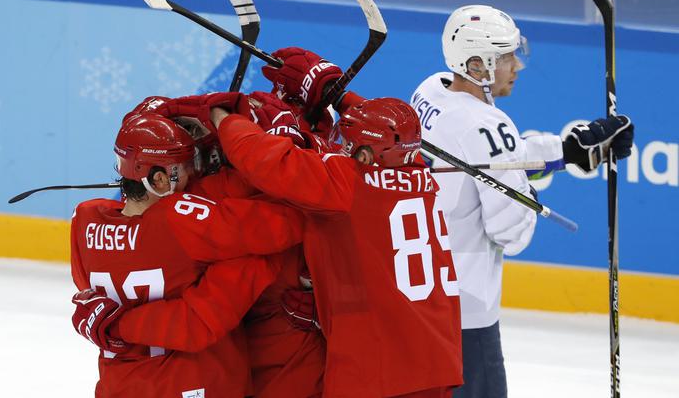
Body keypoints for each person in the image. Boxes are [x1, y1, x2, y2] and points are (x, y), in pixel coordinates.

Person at [408, 4, 635, 398]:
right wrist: (527, 191)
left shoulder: (431, 92)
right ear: (478, 64)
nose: (518, 65)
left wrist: (570, 150)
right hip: (465, 313)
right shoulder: (489, 125)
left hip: (415, 300)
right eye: (507, 55)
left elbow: (492, 159)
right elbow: (512, 232)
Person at [210, 95, 463, 398]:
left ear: (367, 156)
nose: (341, 149)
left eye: (349, 144)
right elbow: (397, 131)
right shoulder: (420, 172)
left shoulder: (344, 184)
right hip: (435, 363)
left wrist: (222, 116)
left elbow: (261, 159)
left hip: (376, 373)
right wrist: (339, 94)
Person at [70, 111, 307, 398]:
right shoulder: (180, 220)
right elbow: (283, 226)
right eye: (183, 168)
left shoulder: (85, 220)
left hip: (119, 387)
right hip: (192, 386)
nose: (192, 175)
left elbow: (90, 280)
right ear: (158, 180)